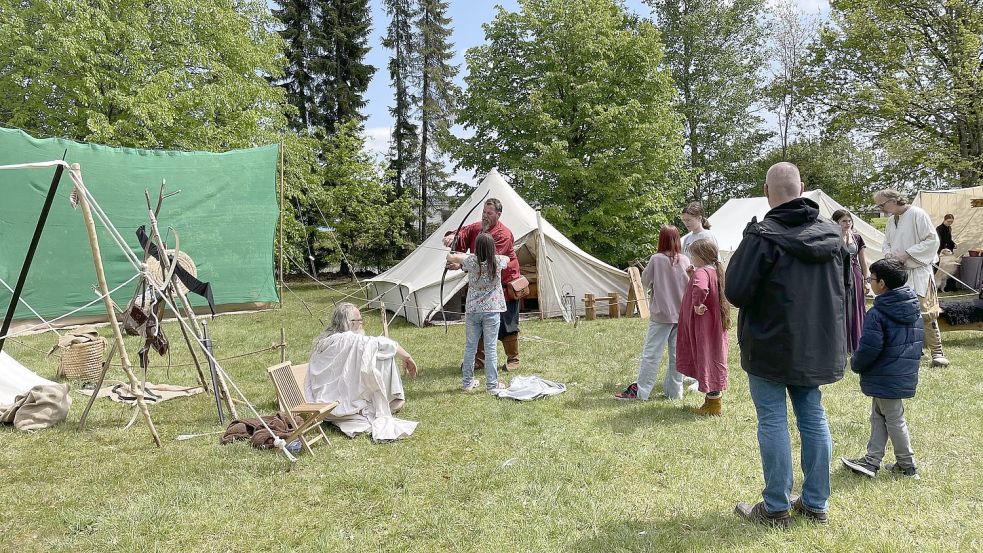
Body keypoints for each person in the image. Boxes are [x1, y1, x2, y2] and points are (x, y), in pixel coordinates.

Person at [727, 162, 850, 528]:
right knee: (812, 417)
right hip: (814, 343)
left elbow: (735, 291)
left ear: (767, 191)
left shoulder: (762, 237)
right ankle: (814, 504)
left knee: (774, 419)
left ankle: (777, 506)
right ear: (803, 189)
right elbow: (845, 289)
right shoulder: (833, 236)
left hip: (769, 344)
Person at [841, 258, 923, 480]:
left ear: (883, 284)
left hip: (886, 376)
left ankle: (908, 465)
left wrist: (856, 363)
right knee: (879, 415)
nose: (869, 281)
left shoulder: (877, 313)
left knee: (894, 418)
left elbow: (869, 348)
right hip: (900, 373)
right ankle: (872, 461)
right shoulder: (913, 307)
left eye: (871, 278)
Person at [305, 303, 419, 441]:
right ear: (348, 323)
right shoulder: (346, 339)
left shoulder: (324, 342)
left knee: (372, 356)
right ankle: (392, 399)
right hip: (336, 404)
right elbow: (381, 343)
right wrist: (407, 357)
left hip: (325, 403)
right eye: (358, 320)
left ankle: (385, 401)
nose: (361, 323)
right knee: (384, 355)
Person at [443, 198, 522, 372]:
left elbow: (488, 262)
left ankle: (513, 359)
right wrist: (452, 237)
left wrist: (460, 264)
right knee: (479, 321)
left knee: (507, 322)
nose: (485, 216)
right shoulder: (477, 227)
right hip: (483, 287)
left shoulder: (503, 234)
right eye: (484, 212)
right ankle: (479, 360)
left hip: (504, 284)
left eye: (489, 213)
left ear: (498, 215)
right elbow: (462, 234)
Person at [615, 225, 691, 400]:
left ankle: (642, 392)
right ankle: (675, 392)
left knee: (651, 354)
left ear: (661, 239)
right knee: (677, 355)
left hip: (661, 314)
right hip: (681, 315)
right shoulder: (685, 260)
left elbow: (645, 281)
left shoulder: (656, 259)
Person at [875, 189, 948, 367]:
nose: (881, 208)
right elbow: (887, 243)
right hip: (900, 274)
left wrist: (907, 254)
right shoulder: (892, 221)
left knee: (927, 312)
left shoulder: (917, 214)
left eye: (882, 204)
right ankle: (914, 350)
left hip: (919, 271)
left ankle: (937, 352)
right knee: (903, 311)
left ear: (894, 200)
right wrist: (888, 255)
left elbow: (932, 241)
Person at [446, 233, 509, 393]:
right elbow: (507, 259)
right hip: (492, 310)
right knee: (490, 347)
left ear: (476, 248)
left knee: (470, 347)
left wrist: (452, 254)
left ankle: (467, 383)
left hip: (473, 310)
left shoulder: (471, 261)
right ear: (492, 248)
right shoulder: (497, 261)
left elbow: (451, 257)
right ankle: (492, 385)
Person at [676, 239, 730, 415]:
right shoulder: (714, 270)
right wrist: (693, 274)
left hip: (703, 325)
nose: (691, 257)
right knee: (714, 355)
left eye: (693, 254)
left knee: (706, 355)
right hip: (714, 324)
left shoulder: (702, 272)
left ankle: (713, 406)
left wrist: (697, 304)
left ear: (700, 256)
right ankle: (712, 402)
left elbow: (700, 288)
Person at [831, 209, 870, 352]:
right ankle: (840, 343)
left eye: (849, 221)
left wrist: (866, 279)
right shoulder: (831, 237)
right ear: (836, 222)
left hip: (855, 273)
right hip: (838, 273)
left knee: (856, 305)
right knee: (840, 306)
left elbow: (863, 261)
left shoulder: (857, 238)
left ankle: (856, 341)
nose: (847, 224)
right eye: (843, 221)